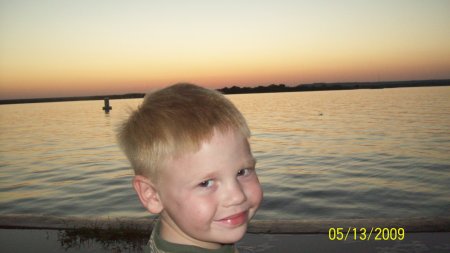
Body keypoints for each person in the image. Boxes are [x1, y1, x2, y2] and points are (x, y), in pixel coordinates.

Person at [117, 83, 263, 253]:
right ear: (152, 195)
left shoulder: (179, 228)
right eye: (206, 183)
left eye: (242, 172)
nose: (236, 196)